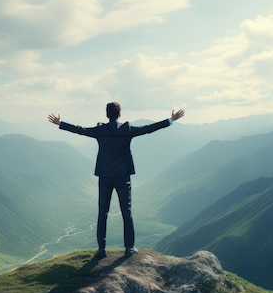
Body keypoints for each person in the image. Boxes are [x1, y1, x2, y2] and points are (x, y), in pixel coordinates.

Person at [47, 102, 185, 258]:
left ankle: (101, 249)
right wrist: (171, 120)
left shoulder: (100, 130)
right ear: (119, 113)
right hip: (123, 176)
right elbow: (148, 129)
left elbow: (80, 130)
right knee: (127, 213)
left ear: (107, 114)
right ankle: (129, 247)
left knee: (102, 213)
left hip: (104, 176)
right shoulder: (127, 130)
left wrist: (60, 123)